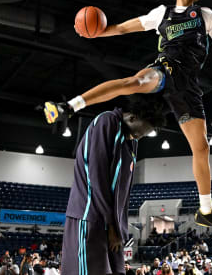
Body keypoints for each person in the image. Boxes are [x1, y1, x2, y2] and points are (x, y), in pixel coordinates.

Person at [43, 0, 212, 233]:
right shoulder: (161, 14)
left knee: (202, 148)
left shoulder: (206, 16)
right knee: (134, 83)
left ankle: (205, 211)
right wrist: (96, 33)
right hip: (166, 69)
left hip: (188, 87)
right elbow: (121, 28)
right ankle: (68, 107)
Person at [61, 95, 168, 275]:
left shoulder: (130, 141)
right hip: (90, 216)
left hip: (110, 223)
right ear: (132, 117)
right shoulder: (107, 121)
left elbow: (122, 193)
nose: (139, 137)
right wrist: (112, 226)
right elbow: (98, 177)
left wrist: (118, 228)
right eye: (139, 133)